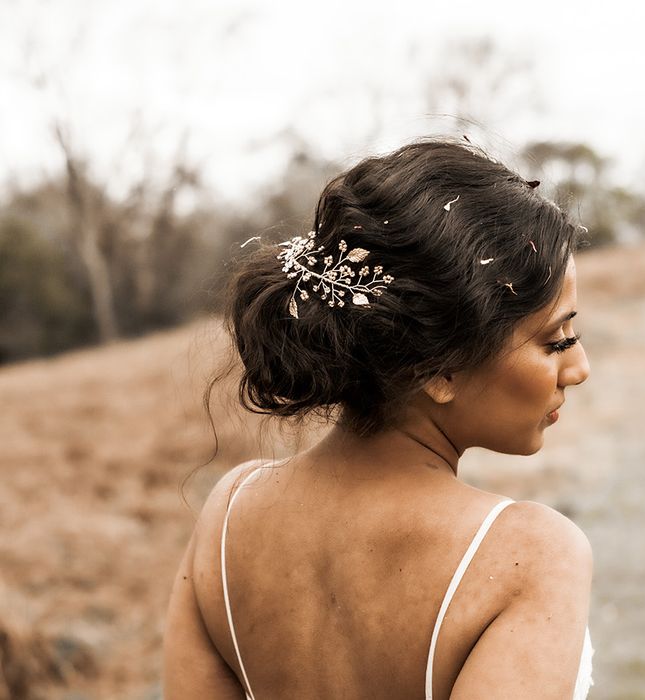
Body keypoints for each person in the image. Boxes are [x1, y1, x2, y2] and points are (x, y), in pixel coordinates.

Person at [163, 139, 594, 699]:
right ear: (439, 368)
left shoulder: (227, 513)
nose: (579, 368)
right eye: (557, 340)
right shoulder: (528, 555)